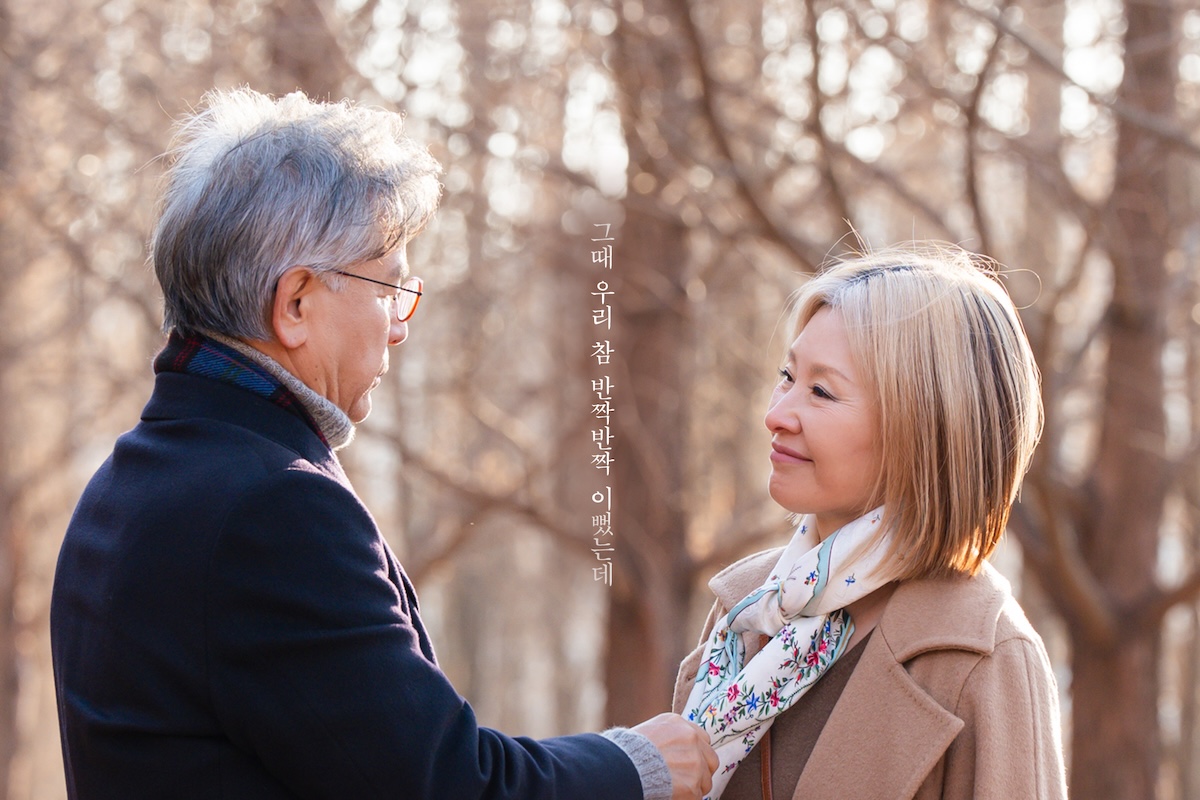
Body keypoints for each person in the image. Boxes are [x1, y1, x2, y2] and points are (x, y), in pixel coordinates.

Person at [50, 87, 717, 800]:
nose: (400, 324)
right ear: (297, 303)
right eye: (387, 288)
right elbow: (446, 785)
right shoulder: (274, 510)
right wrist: (638, 764)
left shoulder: (125, 483)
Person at [671, 245, 1068, 799]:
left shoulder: (984, 659)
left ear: (926, 429)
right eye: (787, 377)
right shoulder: (748, 610)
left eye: (821, 391)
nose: (776, 414)